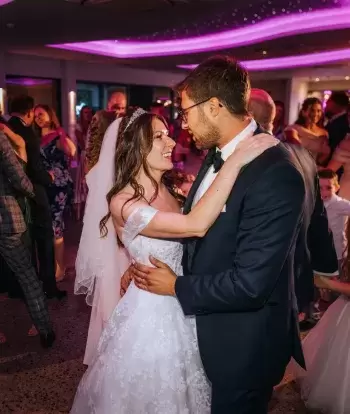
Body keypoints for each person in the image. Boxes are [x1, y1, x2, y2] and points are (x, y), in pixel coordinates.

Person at [129, 55, 310, 414]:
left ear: (213, 106)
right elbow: (205, 234)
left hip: (244, 343)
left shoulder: (274, 171)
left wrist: (176, 287)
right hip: (212, 325)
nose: (182, 125)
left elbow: (250, 284)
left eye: (185, 112)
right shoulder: (218, 152)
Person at [70, 103, 277, 413]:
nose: (172, 143)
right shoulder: (124, 202)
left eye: (168, 135)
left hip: (185, 301)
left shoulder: (173, 190)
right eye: (159, 137)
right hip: (150, 317)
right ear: (135, 147)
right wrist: (236, 161)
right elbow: (195, 225)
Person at [0, 130, 55, 348]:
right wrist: (33, 193)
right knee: (26, 275)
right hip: (6, 218)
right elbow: (16, 174)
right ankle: (45, 331)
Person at [8, 95, 66, 300]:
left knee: (24, 241)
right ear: (30, 112)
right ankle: (49, 286)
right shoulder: (26, 133)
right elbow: (33, 169)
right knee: (44, 240)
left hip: (13, 194)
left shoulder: (7, 128)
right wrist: (47, 177)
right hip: (35, 192)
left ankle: (22, 286)